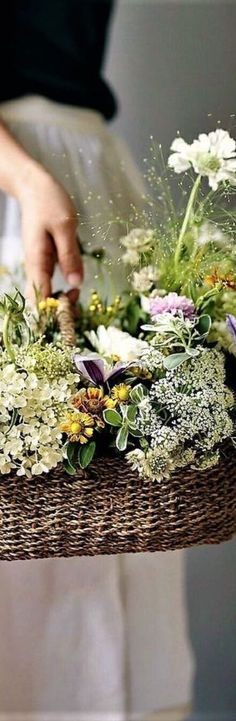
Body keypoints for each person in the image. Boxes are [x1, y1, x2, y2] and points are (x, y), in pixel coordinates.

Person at [0, 1, 194, 717]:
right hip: (20, 185)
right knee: (30, 489)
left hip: (90, 173)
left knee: (120, 482)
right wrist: (22, 177)